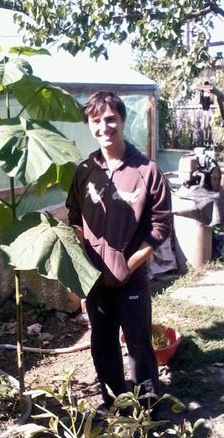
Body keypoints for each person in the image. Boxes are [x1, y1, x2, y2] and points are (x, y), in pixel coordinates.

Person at [66, 91, 172, 413]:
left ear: (123, 121)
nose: (104, 127)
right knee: (103, 344)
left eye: (111, 119)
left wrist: (130, 264)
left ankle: (147, 409)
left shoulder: (146, 171)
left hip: (131, 280)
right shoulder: (84, 171)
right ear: (89, 125)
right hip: (96, 281)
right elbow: (74, 217)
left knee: (139, 344)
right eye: (96, 121)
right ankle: (113, 404)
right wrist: (83, 267)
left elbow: (161, 226)